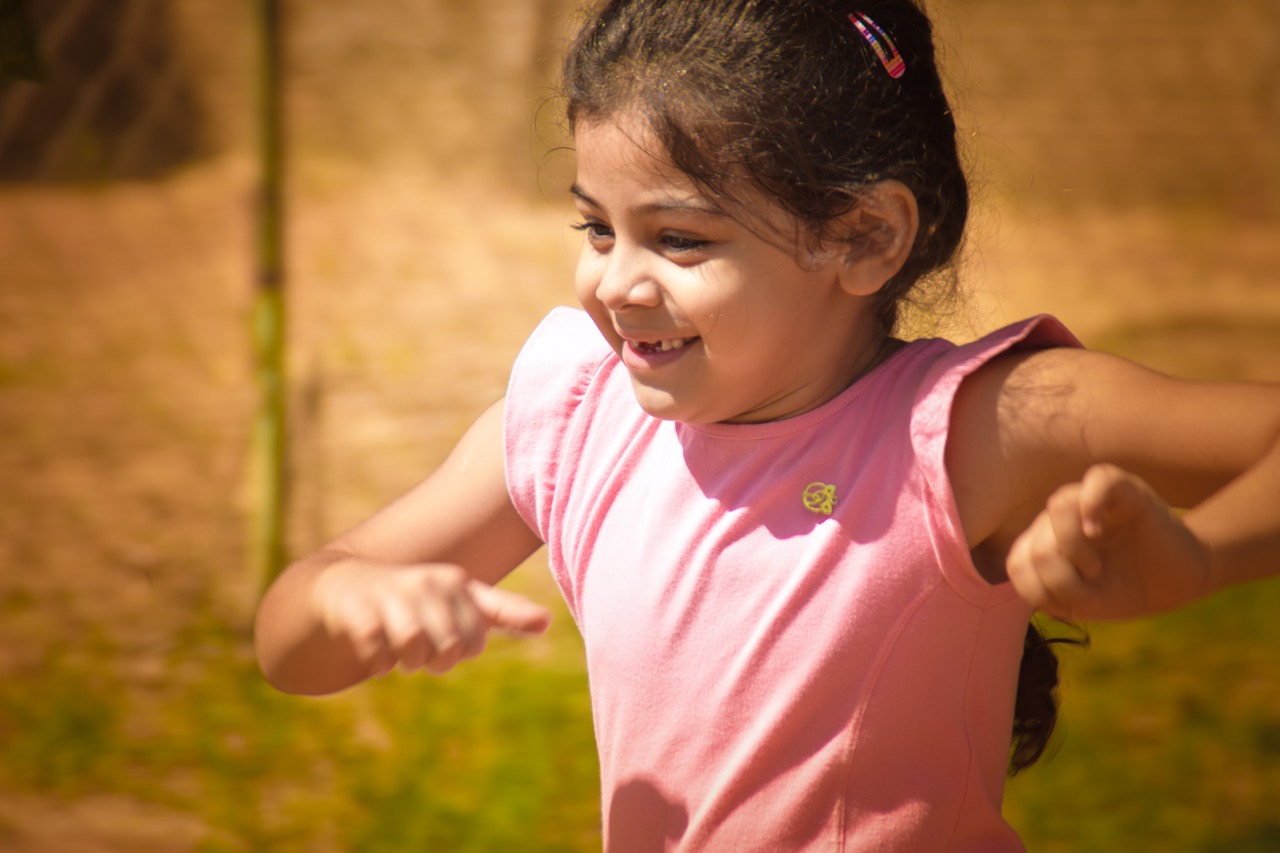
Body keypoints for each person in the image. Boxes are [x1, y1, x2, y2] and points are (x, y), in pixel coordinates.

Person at [254, 0, 1280, 848]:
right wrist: (350, 597)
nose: (613, 282)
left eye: (678, 239)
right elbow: (290, 647)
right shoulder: (575, 417)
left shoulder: (970, 427)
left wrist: (1201, 555)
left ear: (864, 238)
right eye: (595, 226)